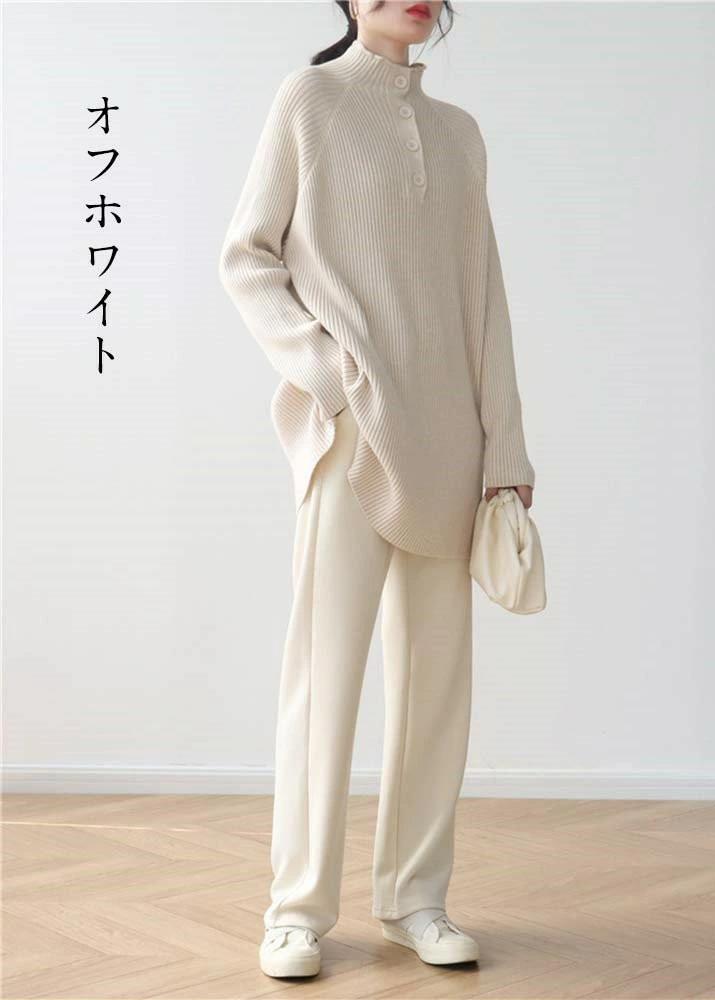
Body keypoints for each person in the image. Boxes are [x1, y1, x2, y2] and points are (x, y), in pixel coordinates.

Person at [218, 0, 536, 980]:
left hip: (451, 443)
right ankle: (296, 911)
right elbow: (247, 256)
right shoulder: (309, 101)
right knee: (325, 678)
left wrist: (507, 451)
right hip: (351, 436)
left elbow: (484, 297)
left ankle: (415, 898)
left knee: (436, 684)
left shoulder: (461, 134)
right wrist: (328, 372)